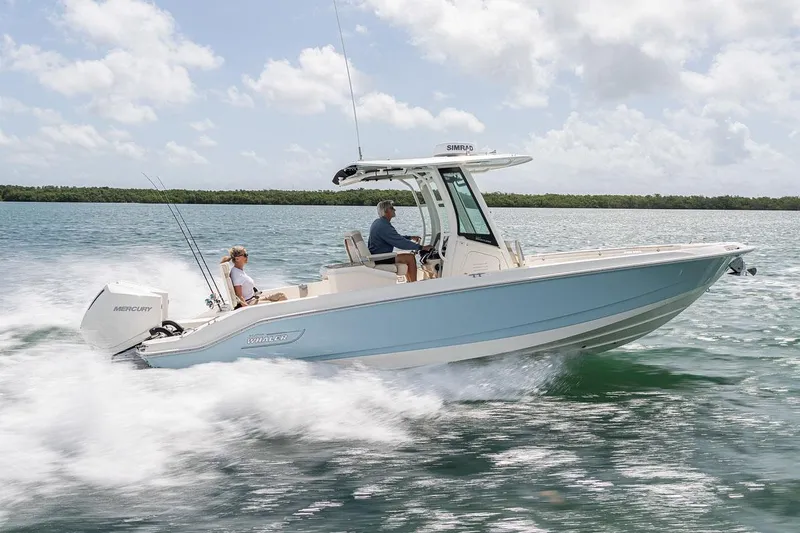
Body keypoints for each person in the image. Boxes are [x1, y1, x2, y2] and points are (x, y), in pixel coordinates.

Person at [368, 200, 431, 282]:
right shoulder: (384, 226)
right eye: (392, 208)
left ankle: (410, 282)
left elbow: (394, 237)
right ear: (386, 211)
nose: (395, 210)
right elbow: (400, 243)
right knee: (410, 258)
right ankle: (414, 284)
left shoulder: (379, 222)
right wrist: (421, 247)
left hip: (378, 255)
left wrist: (410, 237)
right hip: (380, 257)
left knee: (406, 257)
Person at [220, 246, 287, 308]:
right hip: (251, 303)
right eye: (245, 255)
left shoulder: (238, 271)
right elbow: (240, 297)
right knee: (282, 299)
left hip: (254, 298)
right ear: (237, 258)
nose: (247, 257)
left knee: (281, 295)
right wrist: (249, 309)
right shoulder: (237, 275)